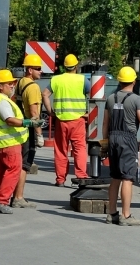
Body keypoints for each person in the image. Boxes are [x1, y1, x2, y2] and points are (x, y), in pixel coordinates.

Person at [101, 65, 140, 227]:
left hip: (113, 137)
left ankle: (111, 213)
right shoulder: (136, 99)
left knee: (116, 176)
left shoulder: (111, 98)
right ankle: (126, 215)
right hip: (127, 139)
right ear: (134, 81)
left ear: (119, 80)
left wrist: (105, 141)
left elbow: (105, 122)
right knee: (127, 178)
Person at [0, 69, 39, 214]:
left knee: (1, 172)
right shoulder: (2, 101)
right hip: (10, 144)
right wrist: (28, 122)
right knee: (13, 171)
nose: (12, 86)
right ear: (0, 86)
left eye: (13, 83)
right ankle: (2, 201)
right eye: (9, 83)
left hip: (1, 144)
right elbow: (9, 120)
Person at [42, 53, 89, 186]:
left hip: (61, 120)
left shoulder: (56, 80)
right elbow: (93, 97)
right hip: (78, 120)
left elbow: (44, 94)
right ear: (76, 66)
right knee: (79, 149)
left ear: (64, 66)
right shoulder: (82, 80)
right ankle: (81, 177)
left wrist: (50, 112)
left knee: (61, 150)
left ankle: (60, 179)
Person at [12, 53, 43, 207]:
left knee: (17, 163)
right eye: (38, 68)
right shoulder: (33, 87)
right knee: (25, 164)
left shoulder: (20, 83)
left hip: (19, 127)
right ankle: (18, 197)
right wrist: (39, 134)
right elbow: (34, 112)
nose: (41, 71)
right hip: (28, 129)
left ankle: (14, 195)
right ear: (30, 70)